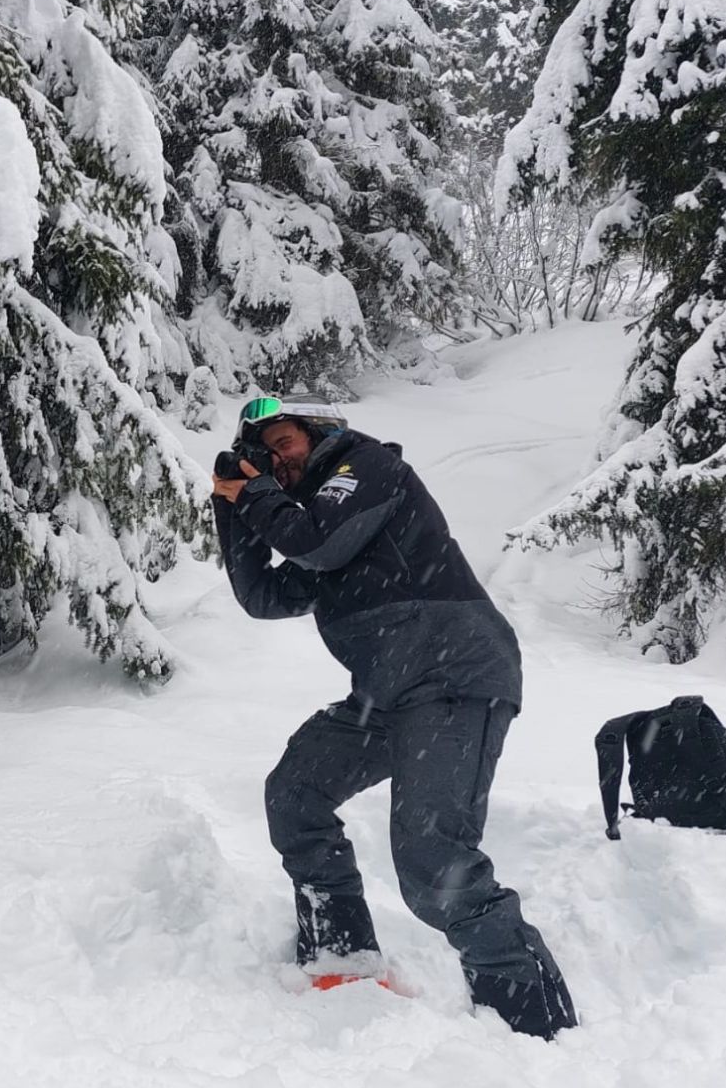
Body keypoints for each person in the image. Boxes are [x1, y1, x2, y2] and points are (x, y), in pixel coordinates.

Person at [212, 394, 578, 1038]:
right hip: (386, 694)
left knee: (434, 864)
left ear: (317, 429)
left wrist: (255, 498)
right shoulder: (311, 519)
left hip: (455, 675)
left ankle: (535, 1023)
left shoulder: (366, 466)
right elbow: (263, 595)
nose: (275, 460)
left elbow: (317, 543)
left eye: (284, 442)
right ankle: (343, 955)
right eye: (262, 454)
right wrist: (230, 507)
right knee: (296, 793)